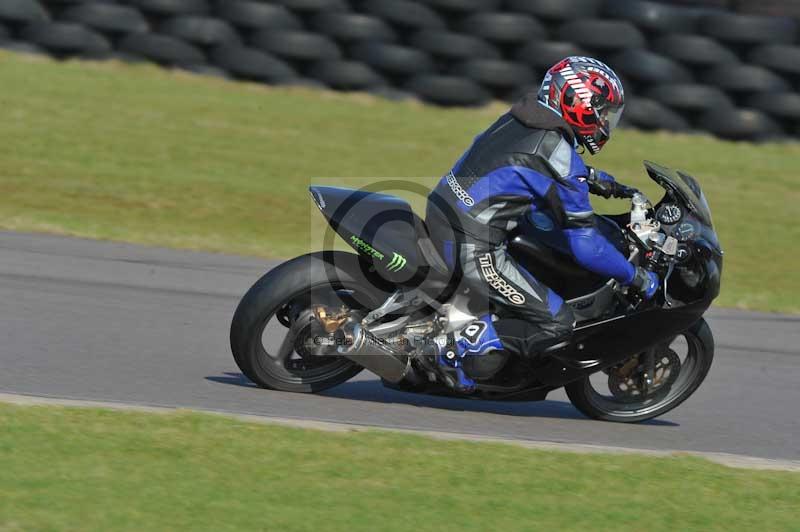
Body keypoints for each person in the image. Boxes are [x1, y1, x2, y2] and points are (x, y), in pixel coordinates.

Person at [425, 56, 659, 393]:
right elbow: (585, 245)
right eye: (603, 112)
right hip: (472, 243)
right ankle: (459, 347)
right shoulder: (559, 156)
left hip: (443, 207)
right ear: (579, 102)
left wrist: (593, 179)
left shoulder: (524, 116)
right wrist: (636, 277)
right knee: (558, 324)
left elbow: (525, 163)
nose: (605, 123)